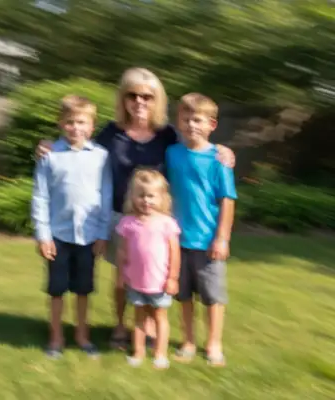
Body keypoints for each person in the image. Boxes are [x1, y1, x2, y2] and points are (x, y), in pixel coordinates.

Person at [35, 67, 235, 349]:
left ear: (157, 99)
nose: (139, 101)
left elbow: (197, 147)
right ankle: (120, 326)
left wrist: (224, 150)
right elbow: (79, 147)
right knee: (122, 279)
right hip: (120, 217)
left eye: (147, 96)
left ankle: (150, 327)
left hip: (157, 221)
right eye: (132, 95)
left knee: (154, 274)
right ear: (124, 98)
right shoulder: (111, 133)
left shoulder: (167, 135)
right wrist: (48, 145)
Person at [31, 95, 112, 359]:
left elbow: (105, 196)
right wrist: (43, 236)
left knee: (82, 289)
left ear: (91, 125)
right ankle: (56, 338)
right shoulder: (49, 156)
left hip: (88, 236)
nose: (75, 127)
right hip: (58, 236)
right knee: (57, 290)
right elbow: (40, 197)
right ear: (60, 123)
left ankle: (82, 335)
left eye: (81, 122)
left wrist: (102, 234)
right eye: (70, 122)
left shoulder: (101, 157)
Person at [166, 93, 237, 367]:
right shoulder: (172, 154)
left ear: (211, 124)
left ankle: (214, 343)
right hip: (177, 241)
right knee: (183, 295)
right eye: (185, 119)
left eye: (197, 120)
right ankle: (187, 341)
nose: (191, 125)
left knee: (212, 296)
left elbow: (227, 200)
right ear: (178, 122)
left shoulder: (218, 160)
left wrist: (222, 238)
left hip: (208, 242)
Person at [116, 169, 180, 369]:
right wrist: (121, 275)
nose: (146, 200)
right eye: (141, 195)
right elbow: (122, 252)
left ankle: (160, 354)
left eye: (151, 196)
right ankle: (138, 352)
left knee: (160, 318)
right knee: (139, 319)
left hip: (159, 282)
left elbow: (175, 253)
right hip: (136, 282)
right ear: (133, 197)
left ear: (161, 197)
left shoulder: (167, 223)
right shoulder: (128, 223)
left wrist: (172, 278)